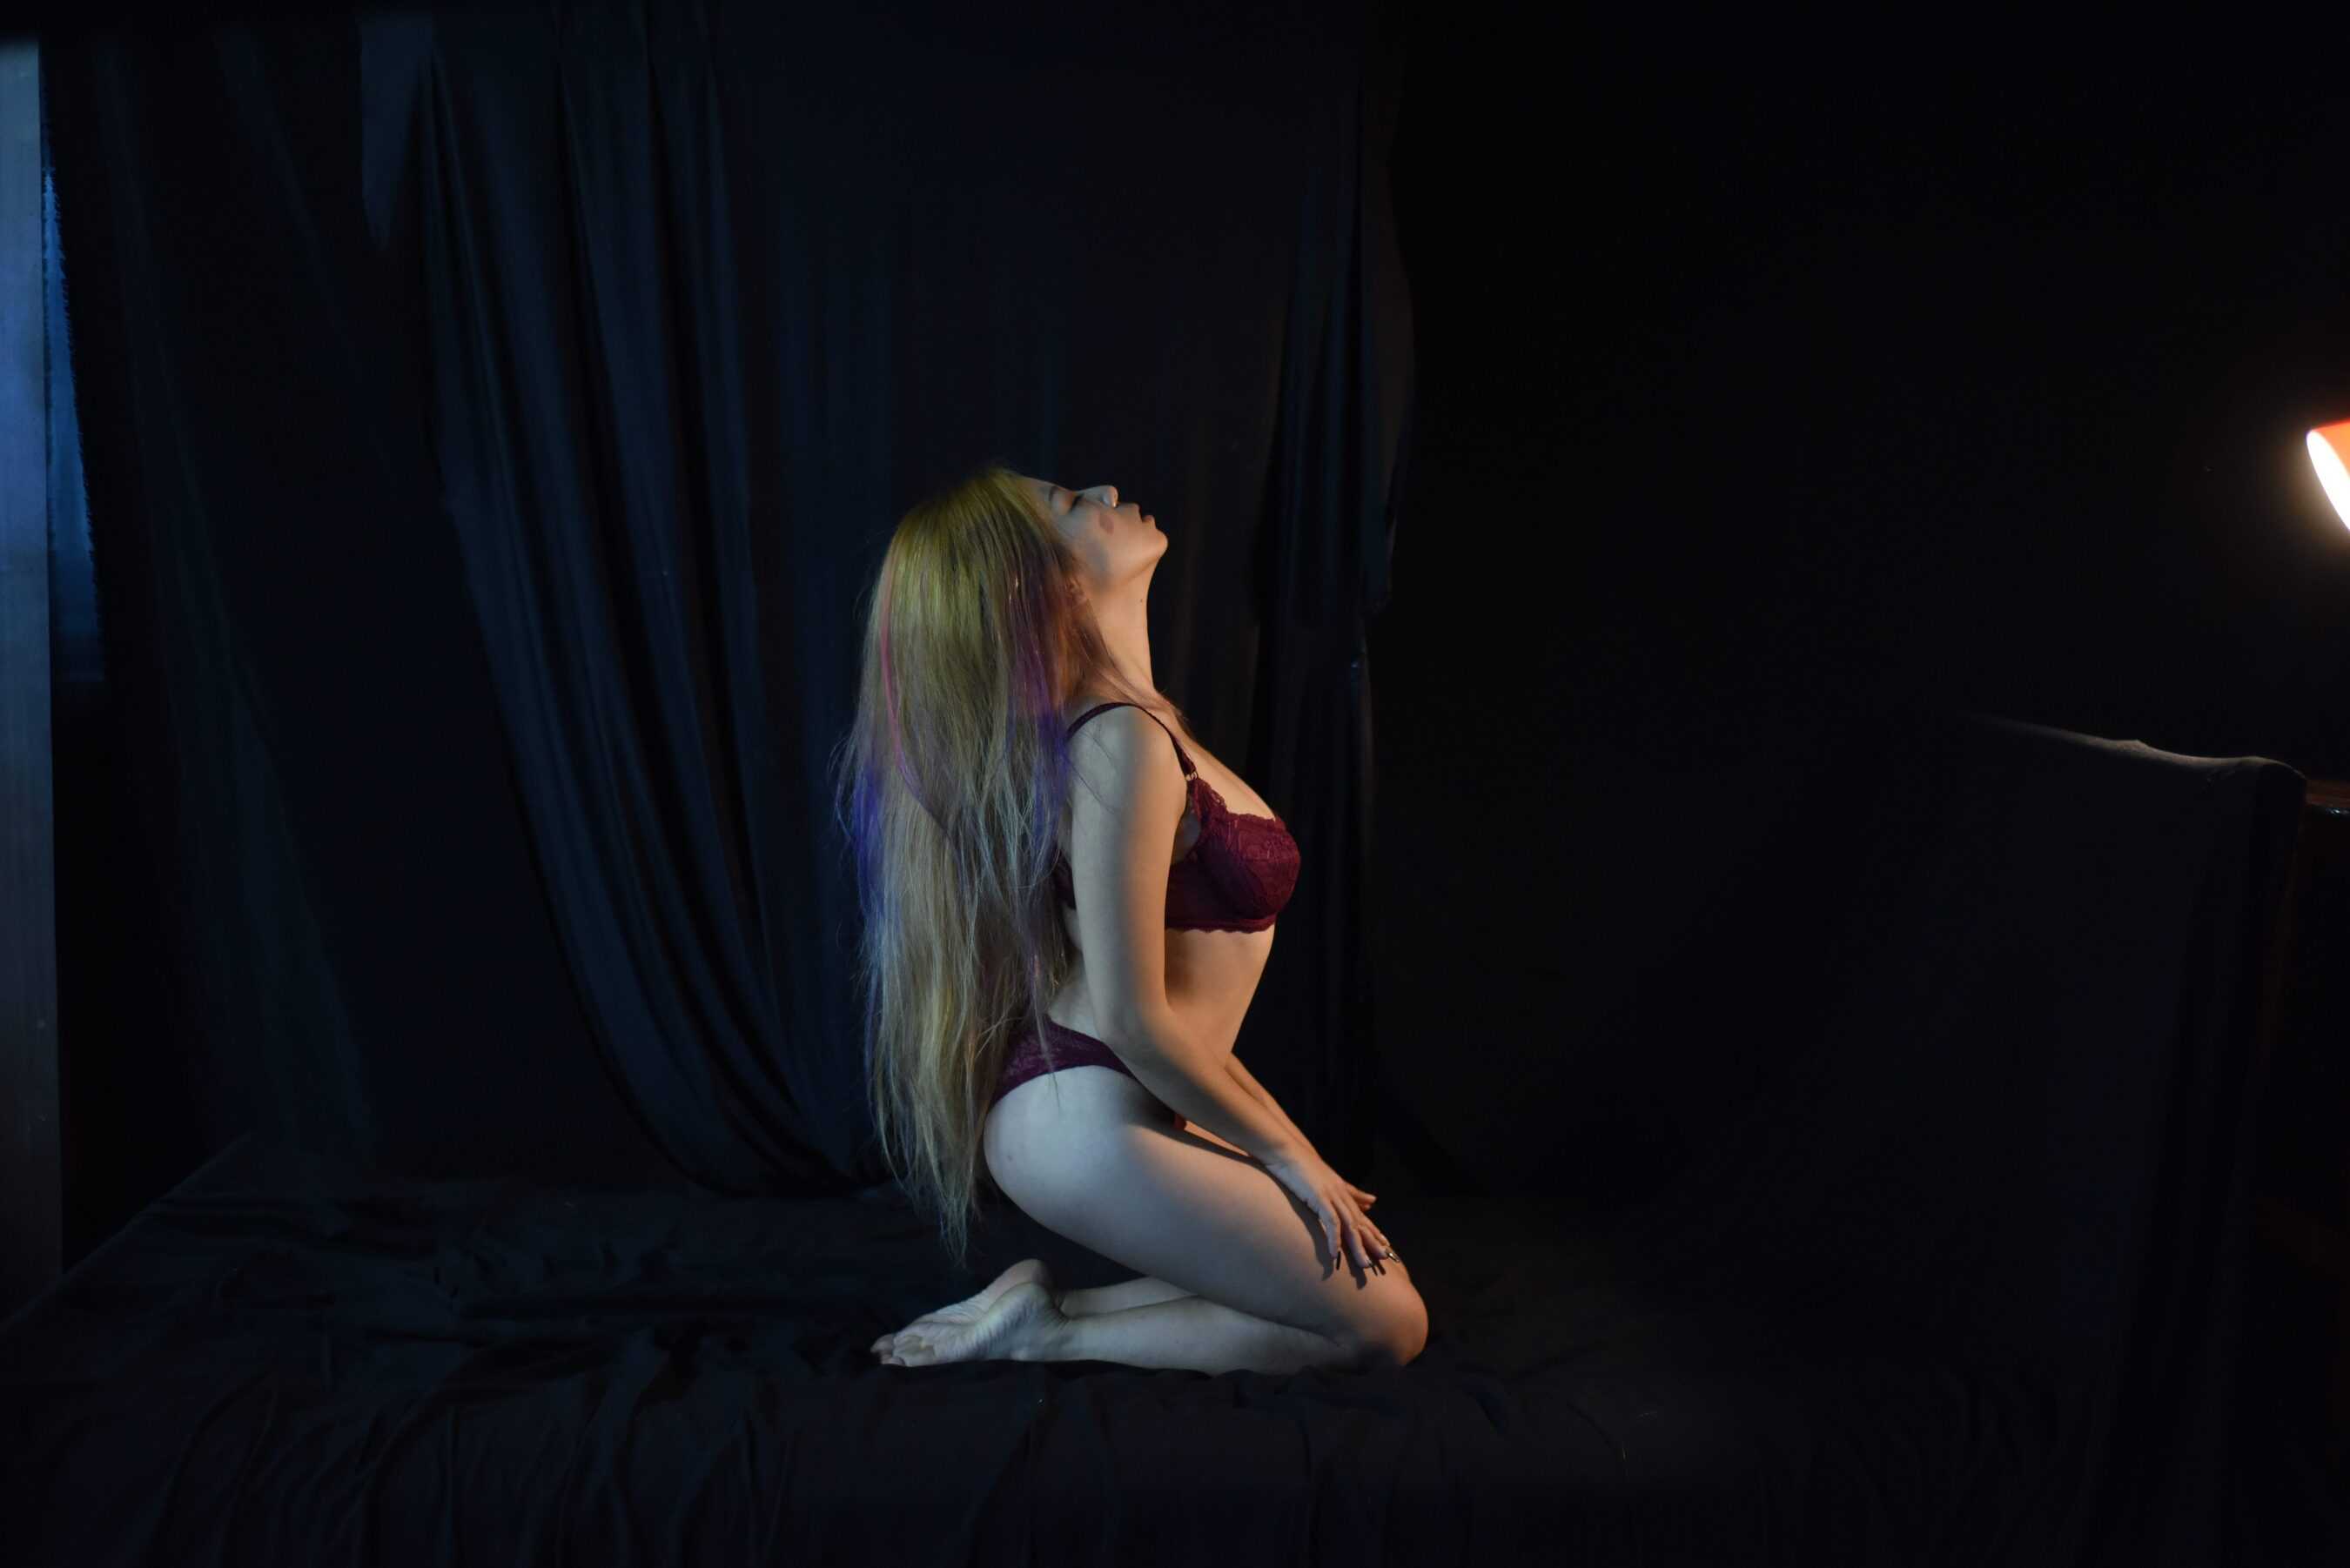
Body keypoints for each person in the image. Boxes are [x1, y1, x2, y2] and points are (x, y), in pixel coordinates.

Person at [830, 460, 1425, 1374]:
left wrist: (1283, 1148)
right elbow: (1137, 1018)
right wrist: (1289, 1153)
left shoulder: (1132, 724)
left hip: (1117, 1097)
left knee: (1359, 1285)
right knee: (1384, 1326)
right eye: (1074, 505)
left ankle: (1043, 1310)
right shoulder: (1118, 742)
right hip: (1085, 1116)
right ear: (1048, 585)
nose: (1107, 494)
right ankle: (1049, 1335)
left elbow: (1171, 1011)